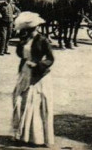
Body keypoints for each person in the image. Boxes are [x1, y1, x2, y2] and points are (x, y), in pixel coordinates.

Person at [12, 11, 55, 147]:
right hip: (25, 72)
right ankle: (23, 135)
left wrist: (38, 65)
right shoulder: (25, 40)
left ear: (36, 28)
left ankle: (37, 138)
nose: (28, 32)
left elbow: (50, 59)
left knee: (35, 104)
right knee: (20, 101)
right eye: (26, 30)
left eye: (30, 29)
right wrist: (21, 42)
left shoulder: (43, 40)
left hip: (38, 76)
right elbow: (20, 54)